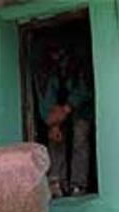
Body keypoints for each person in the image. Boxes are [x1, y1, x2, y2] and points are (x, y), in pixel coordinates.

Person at [33, 39, 93, 197]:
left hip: (80, 108)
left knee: (80, 139)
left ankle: (78, 185)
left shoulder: (79, 62)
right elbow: (45, 97)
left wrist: (67, 108)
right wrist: (53, 123)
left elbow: (85, 89)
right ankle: (56, 183)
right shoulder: (44, 69)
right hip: (56, 107)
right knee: (55, 139)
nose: (57, 56)